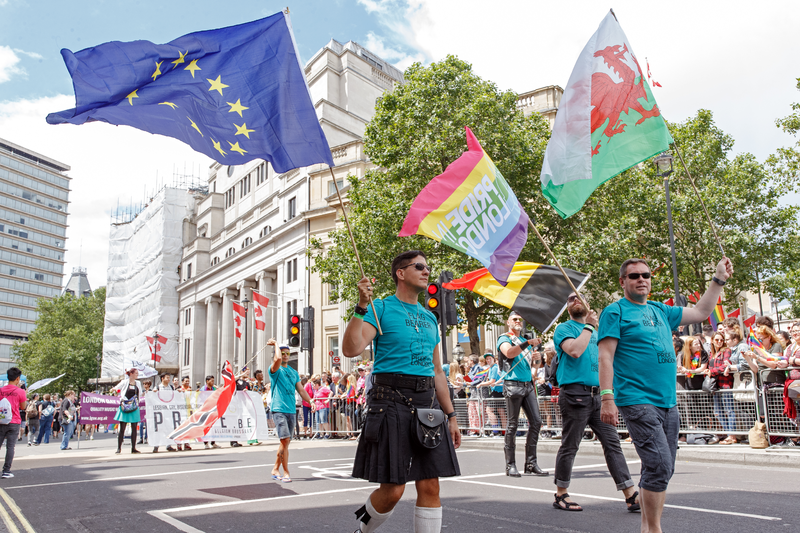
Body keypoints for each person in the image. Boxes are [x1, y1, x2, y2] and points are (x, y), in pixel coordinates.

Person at [599, 256, 733, 533]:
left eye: (645, 275)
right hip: (637, 400)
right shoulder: (615, 312)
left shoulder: (661, 310)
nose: (641, 280)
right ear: (623, 281)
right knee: (660, 464)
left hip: (668, 401)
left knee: (662, 468)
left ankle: (647, 529)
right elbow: (605, 357)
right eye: (634, 276)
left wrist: (718, 280)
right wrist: (607, 398)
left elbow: (699, 311)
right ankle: (655, 529)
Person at [341, 250, 460, 533]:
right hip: (390, 400)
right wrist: (360, 306)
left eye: (427, 267)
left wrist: (451, 415)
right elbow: (351, 349)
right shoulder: (380, 308)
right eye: (419, 266)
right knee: (393, 489)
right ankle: (363, 530)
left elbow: (438, 372)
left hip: (427, 404)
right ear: (401, 273)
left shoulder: (431, 318)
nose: (426, 271)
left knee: (431, 484)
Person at [552, 293, 639, 512]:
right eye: (570, 299)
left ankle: (630, 494)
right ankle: (561, 493)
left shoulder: (599, 333)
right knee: (570, 444)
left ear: (589, 303)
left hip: (599, 395)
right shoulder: (564, 329)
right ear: (567, 308)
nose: (575, 300)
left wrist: (610, 396)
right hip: (574, 394)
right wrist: (589, 327)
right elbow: (574, 350)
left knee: (612, 443)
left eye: (579, 297)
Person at [497, 311, 547, 477]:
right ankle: (510, 465)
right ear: (508, 322)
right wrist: (528, 343)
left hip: (528, 384)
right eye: (515, 319)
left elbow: (536, 367)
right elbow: (509, 353)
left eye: (520, 319)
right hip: (512, 384)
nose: (518, 321)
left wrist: (538, 359)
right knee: (512, 425)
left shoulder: (524, 340)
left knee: (537, 421)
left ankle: (531, 463)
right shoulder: (505, 338)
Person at [268, 339, 314, 483]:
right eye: (283, 353)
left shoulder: (293, 372)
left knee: (285, 443)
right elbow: (277, 359)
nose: (286, 355)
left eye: (288, 353)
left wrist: (311, 401)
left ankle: (275, 468)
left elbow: (300, 390)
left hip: (291, 409)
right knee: (285, 439)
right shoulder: (275, 369)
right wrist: (276, 344)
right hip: (278, 409)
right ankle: (286, 472)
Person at [707, 331, 736, 444]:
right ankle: (729, 433)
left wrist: (712, 371)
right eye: (717, 340)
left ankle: (732, 435)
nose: (719, 342)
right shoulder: (712, 353)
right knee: (717, 411)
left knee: (729, 410)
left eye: (721, 340)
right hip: (715, 385)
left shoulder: (726, 351)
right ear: (712, 341)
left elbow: (726, 365)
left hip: (725, 384)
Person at [0, 367, 27, 478]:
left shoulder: (1, 390)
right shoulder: (20, 391)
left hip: (1, 420)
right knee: (10, 447)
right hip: (14, 421)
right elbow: (23, 406)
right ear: (17, 378)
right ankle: (6, 470)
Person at [113, 367, 143, 455]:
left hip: (134, 406)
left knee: (134, 428)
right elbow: (116, 388)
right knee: (122, 428)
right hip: (125, 406)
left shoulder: (138, 383)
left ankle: (133, 448)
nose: (137, 375)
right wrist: (114, 390)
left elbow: (140, 393)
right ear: (131, 374)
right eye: (136, 373)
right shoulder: (125, 382)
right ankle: (119, 448)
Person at [153, 373, 176, 453]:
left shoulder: (171, 387)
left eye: (169, 378)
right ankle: (156, 445)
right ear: (162, 378)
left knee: (169, 428)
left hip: (169, 412)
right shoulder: (158, 387)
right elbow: (152, 397)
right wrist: (153, 392)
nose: (169, 379)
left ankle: (168, 445)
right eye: (167, 378)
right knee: (159, 429)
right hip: (160, 411)